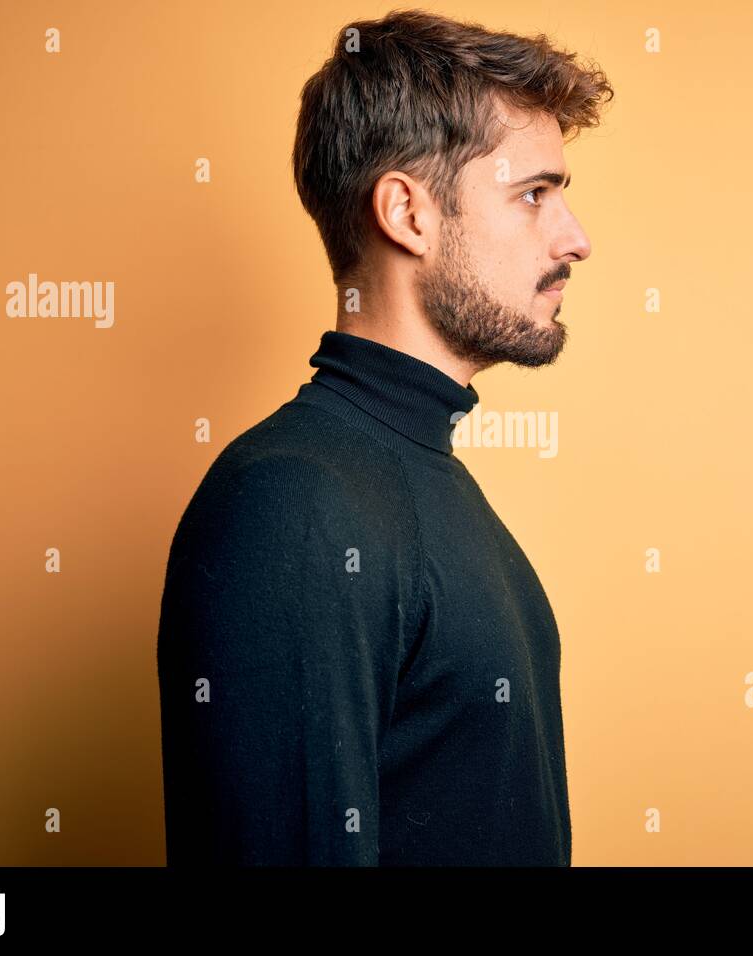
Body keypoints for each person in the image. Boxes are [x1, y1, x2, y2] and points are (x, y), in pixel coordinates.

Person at [156, 8, 613, 866]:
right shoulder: (291, 502)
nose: (574, 239)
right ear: (407, 213)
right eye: (533, 194)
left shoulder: (429, 484)